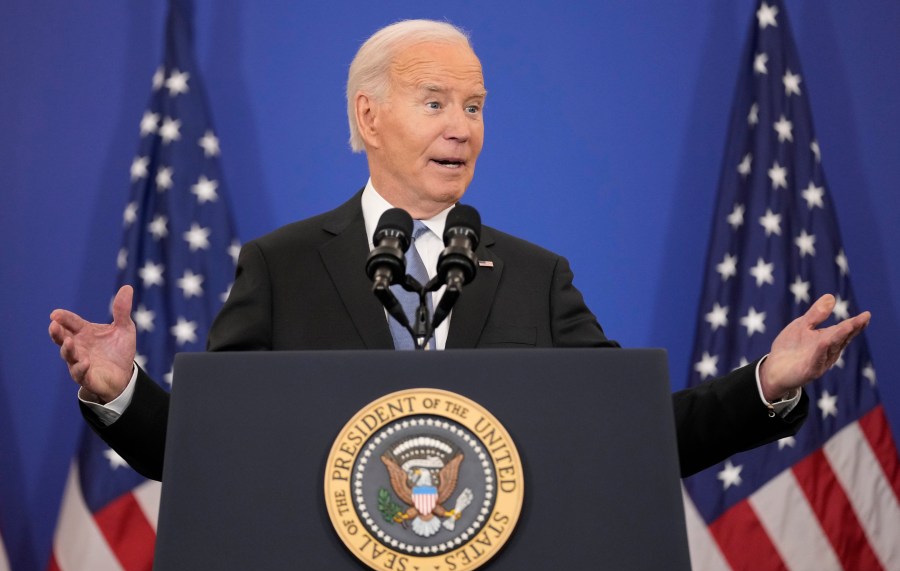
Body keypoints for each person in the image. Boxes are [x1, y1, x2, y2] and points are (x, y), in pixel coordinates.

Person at [49, 19, 870, 482]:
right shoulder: (281, 266)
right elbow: (211, 449)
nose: (461, 127)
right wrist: (124, 393)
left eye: (474, 105)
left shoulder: (535, 277)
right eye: (435, 101)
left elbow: (636, 431)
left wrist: (768, 382)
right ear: (369, 119)